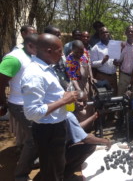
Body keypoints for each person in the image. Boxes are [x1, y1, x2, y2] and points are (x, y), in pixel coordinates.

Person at [21, 33, 78, 181]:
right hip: (48, 131)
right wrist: (63, 101)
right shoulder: (34, 74)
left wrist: (65, 97)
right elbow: (32, 112)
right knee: (51, 171)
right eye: (59, 50)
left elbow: (49, 95)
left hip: (56, 126)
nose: (62, 54)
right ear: (48, 51)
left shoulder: (47, 68)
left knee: (56, 167)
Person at [0, 34, 38, 181]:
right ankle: (21, 175)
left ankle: (31, 159)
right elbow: (1, 82)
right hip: (19, 105)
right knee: (34, 136)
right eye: (38, 47)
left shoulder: (31, 55)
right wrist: (2, 103)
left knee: (36, 135)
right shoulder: (14, 58)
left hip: (32, 104)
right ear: (29, 45)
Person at [90, 26, 118, 95]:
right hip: (102, 77)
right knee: (104, 97)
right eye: (102, 33)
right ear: (99, 35)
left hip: (114, 77)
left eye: (106, 32)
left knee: (114, 96)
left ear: (109, 33)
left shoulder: (115, 45)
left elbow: (118, 57)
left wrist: (117, 62)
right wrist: (102, 61)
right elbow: (92, 63)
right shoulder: (95, 48)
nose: (105, 34)